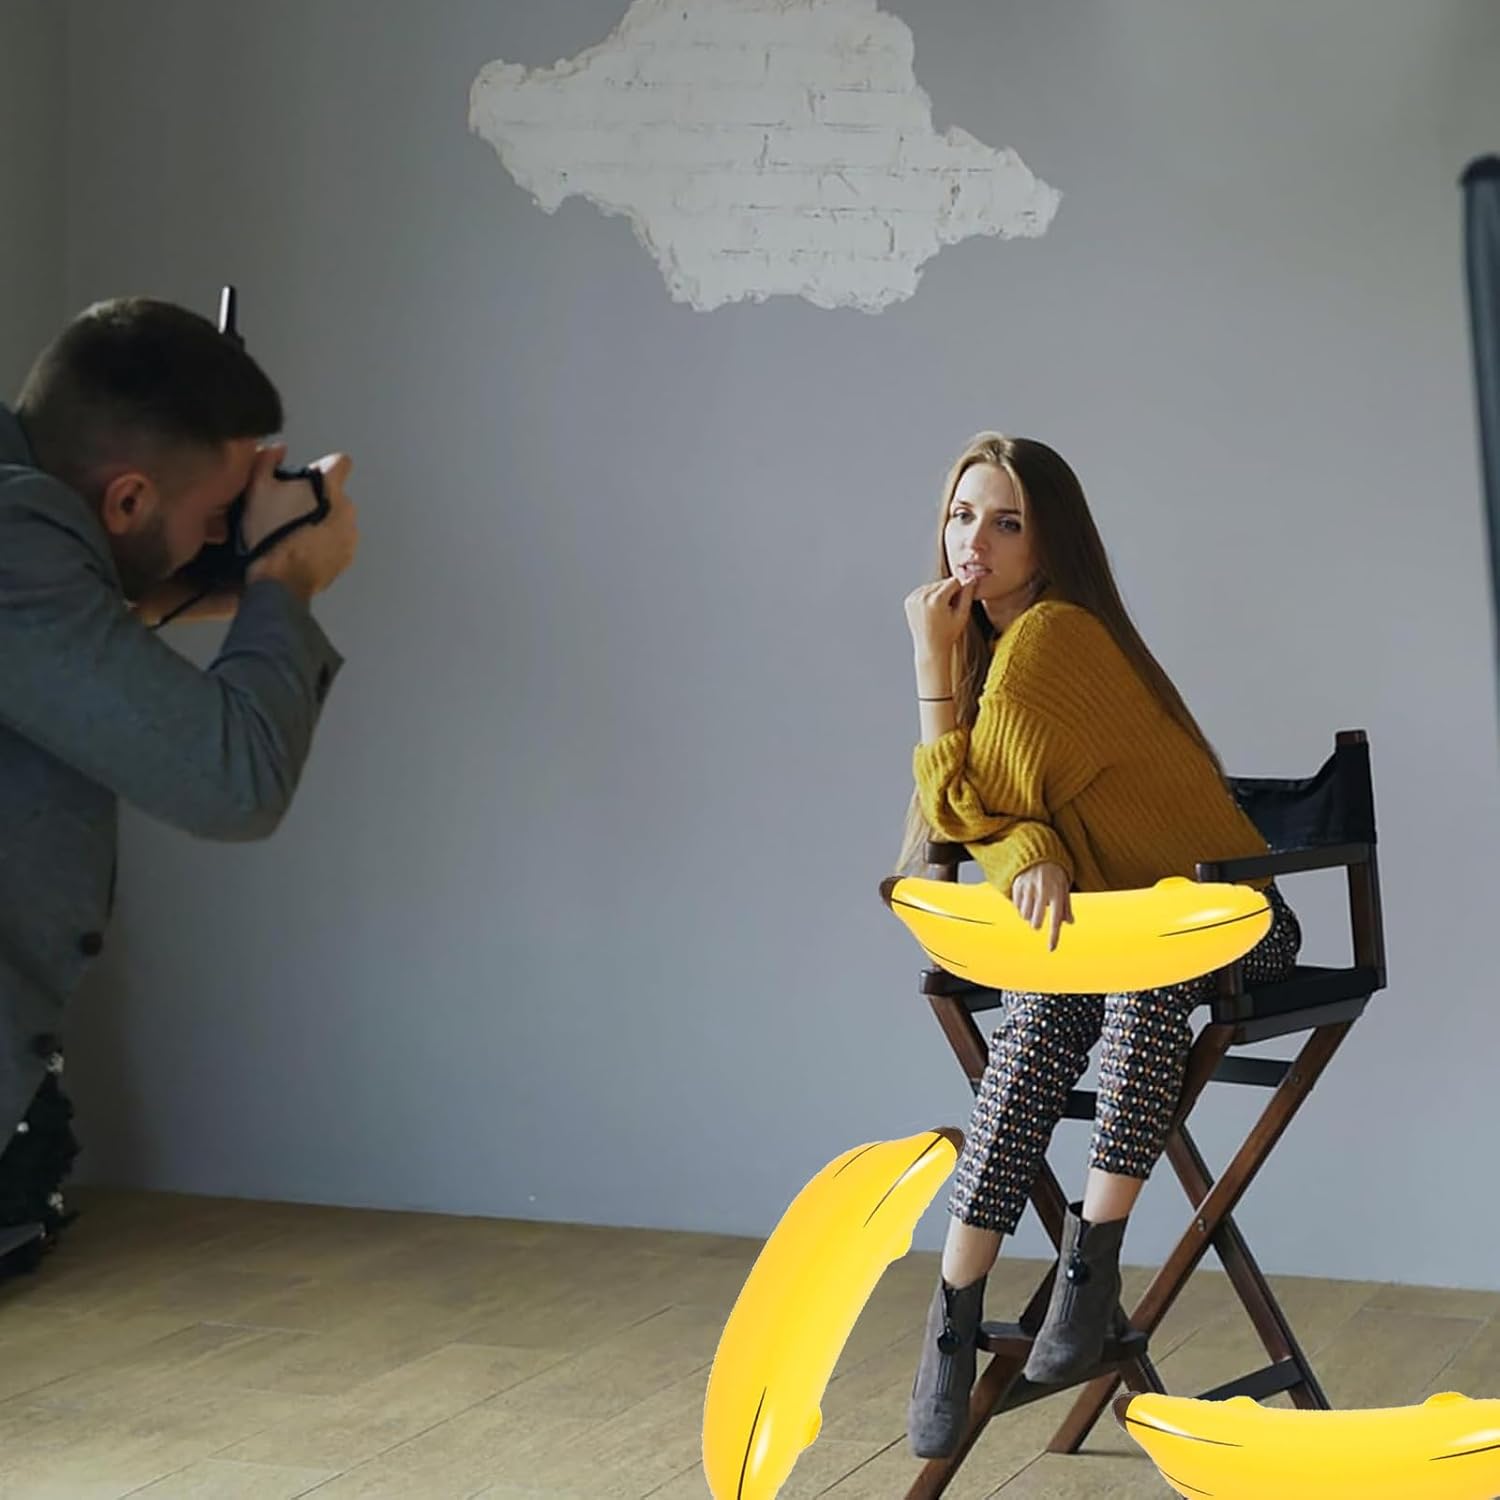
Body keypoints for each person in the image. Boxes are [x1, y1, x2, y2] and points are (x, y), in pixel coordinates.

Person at [897, 433, 1301, 1458]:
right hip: (1115, 929)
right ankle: (952, 1321)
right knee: (1038, 1027)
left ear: (1050, 542)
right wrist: (1029, 843)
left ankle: (1089, 1269)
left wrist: (929, 668)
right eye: (962, 516)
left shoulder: (1053, 638)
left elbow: (964, 805)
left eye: (1006, 522)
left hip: (1236, 919)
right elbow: (980, 819)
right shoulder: (998, 649)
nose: (974, 542)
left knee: (1144, 983)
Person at [0, 296, 357, 1265]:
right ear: (125, 501)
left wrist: (238, 564)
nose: (216, 538)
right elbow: (231, 785)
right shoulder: (17, 534)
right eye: (210, 518)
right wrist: (283, 582)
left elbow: (85, 630)